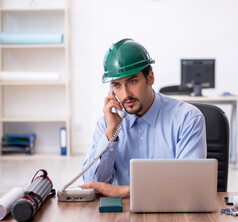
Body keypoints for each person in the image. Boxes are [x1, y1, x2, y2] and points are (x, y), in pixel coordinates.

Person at [79, 39, 207, 198]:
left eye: (132, 81)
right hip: (119, 217)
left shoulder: (187, 119)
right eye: (117, 85)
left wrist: (124, 191)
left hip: (171, 214)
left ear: (150, 78)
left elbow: (190, 184)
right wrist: (111, 132)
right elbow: (92, 184)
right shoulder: (107, 123)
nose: (126, 95)